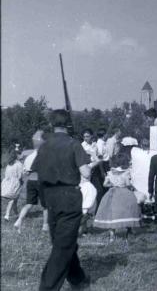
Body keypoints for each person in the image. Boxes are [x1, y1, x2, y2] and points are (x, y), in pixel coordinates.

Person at [32, 109, 91, 290]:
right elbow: (86, 173)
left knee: (61, 241)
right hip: (69, 198)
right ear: (68, 124)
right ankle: (47, 287)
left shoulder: (44, 146)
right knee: (62, 246)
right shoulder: (74, 144)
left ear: (52, 124)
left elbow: (37, 173)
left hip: (50, 198)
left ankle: (77, 279)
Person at [94, 152, 141, 242]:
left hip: (112, 193)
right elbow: (127, 184)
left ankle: (112, 236)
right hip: (125, 194)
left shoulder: (110, 173)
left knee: (112, 214)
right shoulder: (125, 173)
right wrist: (132, 186)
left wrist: (112, 184)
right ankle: (127, 233)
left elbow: (105, 184)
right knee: (127, 212)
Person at [14, 130, 49, 232]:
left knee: (29, 203)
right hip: (41, 181)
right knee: (45, 205)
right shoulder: (44, 154)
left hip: (30, 181)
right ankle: (45, 226)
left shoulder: (28, 154)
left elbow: (22, 162)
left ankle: (19, 220)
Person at [1, 149, 23, 221]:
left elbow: (6, 175)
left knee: (15, 200)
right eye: (20, 154)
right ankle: (7, 215)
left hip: (7, 182)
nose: (21, 155)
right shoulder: (19, 164)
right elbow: (20, 176)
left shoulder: (9, 164)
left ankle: (17, 214)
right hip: (15, 183)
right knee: (13, 199)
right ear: (17, 155)